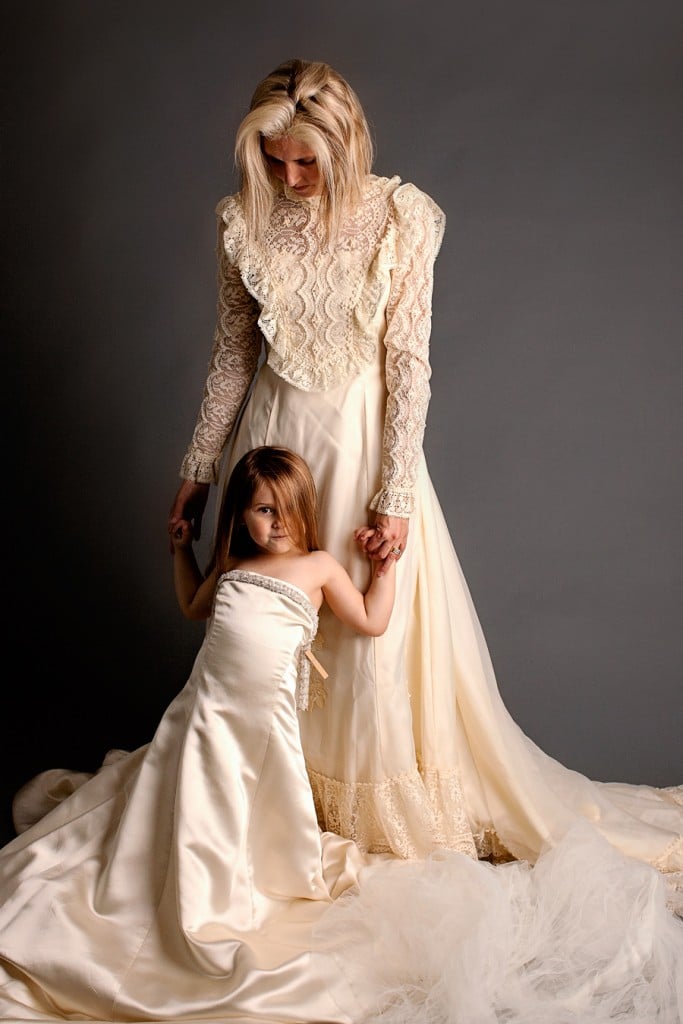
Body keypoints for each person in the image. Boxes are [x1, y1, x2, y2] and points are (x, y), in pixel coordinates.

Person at [168, 57, 682, 877]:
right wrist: (198, 466)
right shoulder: (243, 219)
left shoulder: (403, 218)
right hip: (274, 445)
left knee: (368, 628)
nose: (289, 176)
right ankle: (273, 794)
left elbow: (409, 363)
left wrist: (395, 490)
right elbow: (233, 354)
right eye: (274, 158)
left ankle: (360, 804)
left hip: (363, 444)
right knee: (269, 621)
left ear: (346, 147)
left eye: (306, 161)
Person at [0, 446, 395, 1021]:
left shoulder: (319, 568)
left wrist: (384, 570)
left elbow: (371, 621)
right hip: (203, 713)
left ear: (304, 509)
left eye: (286, 510)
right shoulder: (233, 568)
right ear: (240, 515)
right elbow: (191, 607)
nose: (277, 523)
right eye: (263, 511)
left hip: (263, 726)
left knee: (249, 807)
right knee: (184, 799)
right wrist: (181, 549)